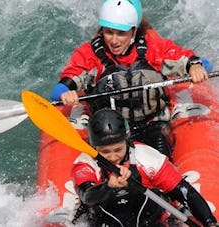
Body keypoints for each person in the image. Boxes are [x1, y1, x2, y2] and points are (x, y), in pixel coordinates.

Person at [50, 0, 212, 157]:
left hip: (152, 123)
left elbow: (196, 61)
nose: (114, 40)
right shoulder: (89, 55)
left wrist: (196, 67)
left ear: (134, 31)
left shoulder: (153, 48)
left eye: (121, 33)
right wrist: (65, 93)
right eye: (109, 32)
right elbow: (61, 88)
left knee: (160, 150)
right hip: (110, 131)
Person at [70, 108, 218, 226]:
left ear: (126, 142)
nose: (113, 157)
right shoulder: (85, 163)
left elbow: (185, 192)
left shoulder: (146, 158)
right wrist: (107, 186)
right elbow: (87, 197)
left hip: (152, 222)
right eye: (105, 152)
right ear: (94, 147)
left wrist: (209, 222)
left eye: (118, 150)